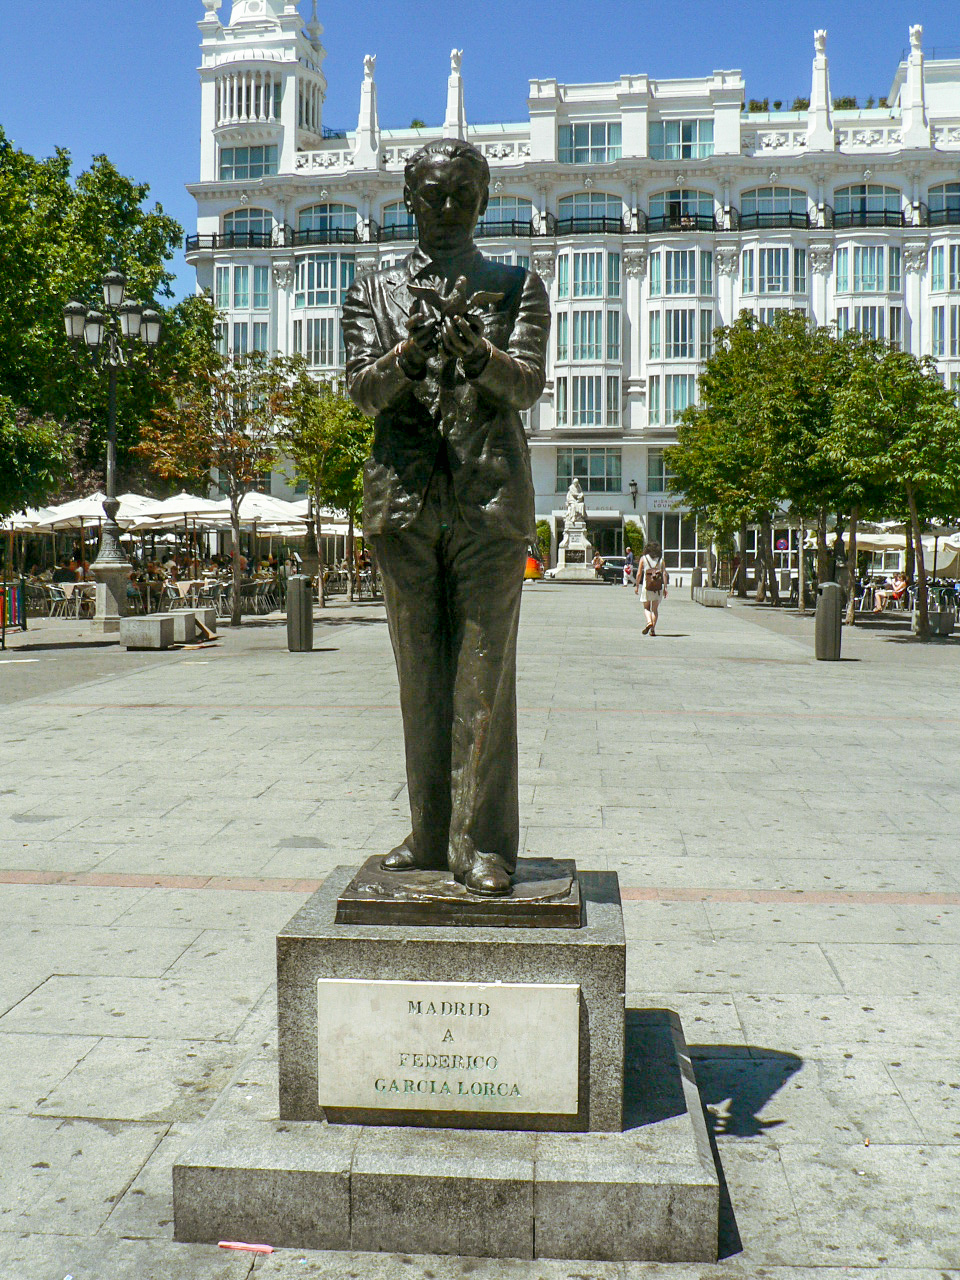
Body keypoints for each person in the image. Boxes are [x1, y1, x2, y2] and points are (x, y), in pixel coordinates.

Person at [342, 137, 549, 896]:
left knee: (483, 678)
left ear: (484, 200)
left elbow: (527, 385)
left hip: (490, 504)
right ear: (409, 199)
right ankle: (431, 832)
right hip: (402, 505)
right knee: (420, 680)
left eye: (464, 193)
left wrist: (480, 356)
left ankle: (483, 843)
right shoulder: (373, 290)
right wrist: (405, 359)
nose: (449, 206)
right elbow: (361, 391)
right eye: (434, 194)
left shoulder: (516, 284)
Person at [635, 539, 668, 635]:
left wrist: (637, 586)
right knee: (655, 609)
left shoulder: (643, 558)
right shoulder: (661, 560)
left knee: (646, 608)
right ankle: (652, 629)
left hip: (647, 586)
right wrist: (665, 588)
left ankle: (649, 621)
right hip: (658, 588)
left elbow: (639, 574)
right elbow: (664, 574)